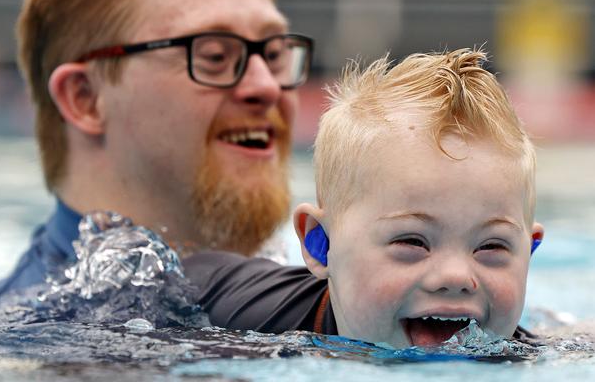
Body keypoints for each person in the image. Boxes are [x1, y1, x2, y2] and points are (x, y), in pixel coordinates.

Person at [0, 0, 313, 306]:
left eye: (275, 53)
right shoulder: (34, 338)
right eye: (213, 55)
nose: (266, 86)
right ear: (86, 99)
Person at [183, 48, 545, 347]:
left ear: (528, 251)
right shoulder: (227, 309)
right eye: (412, 241)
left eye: (492, 247)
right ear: (320, 243)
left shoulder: (535, 358)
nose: (455, 276)